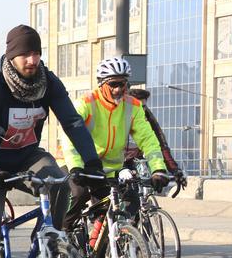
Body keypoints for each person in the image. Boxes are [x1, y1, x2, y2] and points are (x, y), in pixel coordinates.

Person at [0, 25, 103, 258]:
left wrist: (92, 163)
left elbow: (73, 122)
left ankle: (45, 244)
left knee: (59, 184)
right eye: (25, 55)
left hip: (27, 155)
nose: (32, 60)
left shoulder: (48, 81)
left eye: (36, 54)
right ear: (11, 55)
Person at [61, 57, 169, 230]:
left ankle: (103, 250)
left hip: (107, 171)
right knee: (78, 195)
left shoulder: (132, 106)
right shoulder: (87, 103)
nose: (119, 89)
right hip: (77, 164)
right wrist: (76, 167)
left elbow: (148, 139)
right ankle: (60, 236)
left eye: (123, 84)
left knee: (119, 207)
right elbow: (69, 136)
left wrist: (158, 168)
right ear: (102, 84)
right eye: (113, 84)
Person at [125, 87, 186, 187]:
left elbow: (160, 144)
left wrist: (175, 170)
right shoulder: (120, 116)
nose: (142, 110)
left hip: (138, 160)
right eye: (139, 106)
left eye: (144, 106)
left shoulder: (146, 115)